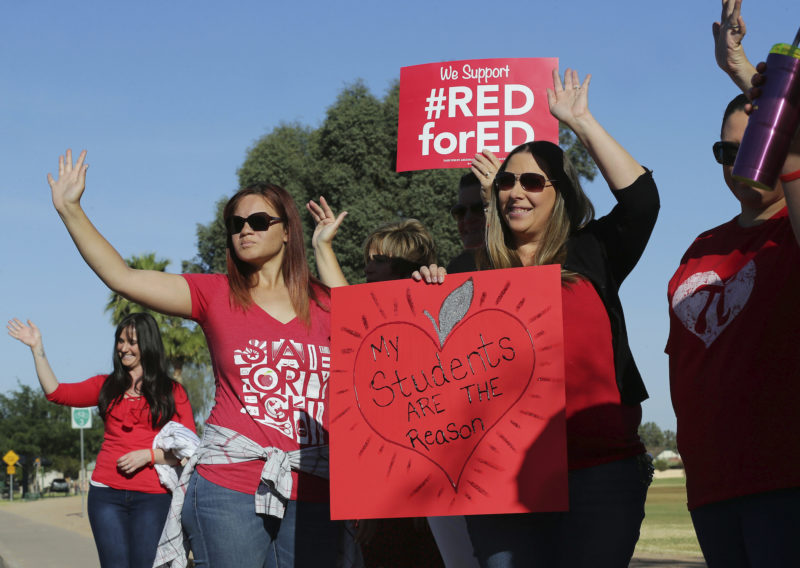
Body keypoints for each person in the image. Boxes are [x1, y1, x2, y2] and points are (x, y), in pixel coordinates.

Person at [46, 152, 342, 568]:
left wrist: (324, 250)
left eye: (258, 222)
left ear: (288, 231)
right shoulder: (215, 294)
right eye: (235, 224)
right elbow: (123, 277)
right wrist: (71, 210)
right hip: (228, 487)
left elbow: (366, 339)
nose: (245, 230)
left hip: (315, 486)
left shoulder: (327, 303)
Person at [452, 66, 659, 567]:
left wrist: (580, 121)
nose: (515, 191)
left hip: (600, 472)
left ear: (559, 193)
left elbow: (641, 200)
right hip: (503, 478)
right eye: (505, 182)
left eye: (531, 181)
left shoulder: (593, 251)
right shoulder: (471, 269)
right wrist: (426, 284)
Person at [666, 1, 800, 565]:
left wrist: (748, 76)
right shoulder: (701, 244)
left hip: (785, 480)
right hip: (713, 486)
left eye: (755, 141)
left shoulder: (789, 229)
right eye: (728, 150)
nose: (742, 161)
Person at [6, 313, 196, 568]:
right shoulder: (105, 385)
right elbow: (56, 393)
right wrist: (37, 348)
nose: (123, 348)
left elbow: (192, 451)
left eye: (131, 342)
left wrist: (149, 456)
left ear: (148, 344)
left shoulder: (172, 392)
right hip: (106, 495)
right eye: (120, 341)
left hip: (153, 496)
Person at [447, 172, 487, 273]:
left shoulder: (523, 263)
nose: (467, 218)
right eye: (460, 211)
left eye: (478, 208)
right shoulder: (455, 269)